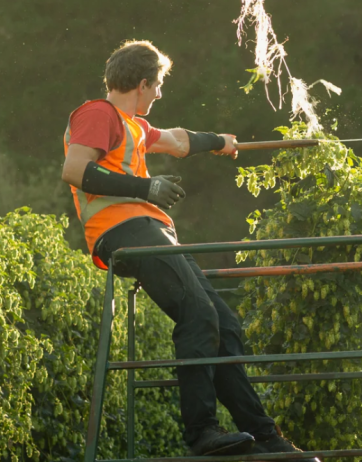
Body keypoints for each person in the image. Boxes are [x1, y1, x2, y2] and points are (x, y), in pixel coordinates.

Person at [61, 40, 317, 461]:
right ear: (142, 84)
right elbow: (74, 171)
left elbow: (177, 140)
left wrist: (219, 141)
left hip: (150, 232)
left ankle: (263, 436)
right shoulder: (98, 114)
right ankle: (202, 434)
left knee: (224, 323)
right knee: (198, 316)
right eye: (158, 85)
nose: (160, 93)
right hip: (125, 231)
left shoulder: (134, 125)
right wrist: (146, 187)